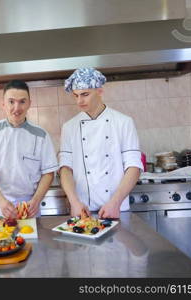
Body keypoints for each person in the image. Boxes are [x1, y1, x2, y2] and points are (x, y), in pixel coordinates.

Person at [59, 68, 143, 219]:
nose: (79, 101)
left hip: (116, 208)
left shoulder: (123, 122)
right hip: (83, 210)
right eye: (76, 95)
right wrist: (74, 202)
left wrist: (115, 203)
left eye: (85, 94)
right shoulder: (69, 127)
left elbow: (134, 167)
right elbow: (65, 169)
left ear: (100, 91)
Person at [0, 80, 58, 218]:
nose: (16, 108)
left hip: (30, 206)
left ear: (29, 103)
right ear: (3, 104)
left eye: (22, 102)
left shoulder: (41, 135)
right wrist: (1, 202)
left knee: (31, 240)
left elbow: (48, 173)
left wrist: (36, 201)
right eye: (11, 102)